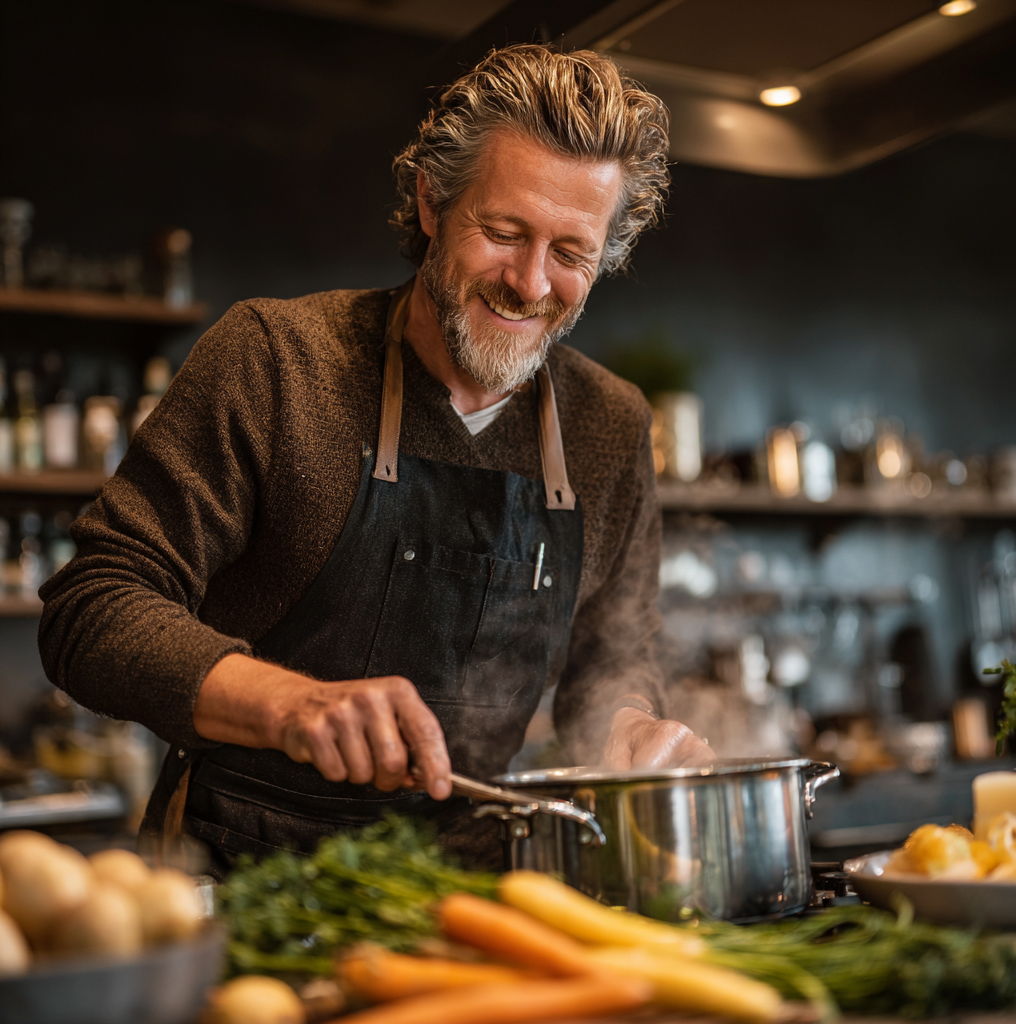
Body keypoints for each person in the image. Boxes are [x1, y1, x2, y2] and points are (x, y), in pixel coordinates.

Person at [38, 44, 714, 873]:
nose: (531, 284)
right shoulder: (277, 360)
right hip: (238, 875)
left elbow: (615, 656)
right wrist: (288, 703)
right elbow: (91, 607)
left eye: (571, 254)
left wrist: (632, 724)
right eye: (503, 233)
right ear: (433, 201)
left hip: (473, 898)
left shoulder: (609, 426)